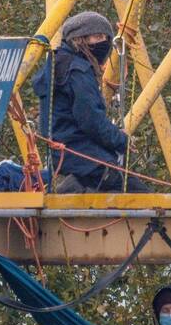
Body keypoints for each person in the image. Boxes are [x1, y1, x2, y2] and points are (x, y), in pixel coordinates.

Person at [33, 11, 151, 193]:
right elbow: (90, 120)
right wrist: (121, 140)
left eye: (105, 37)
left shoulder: (57, 63)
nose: (103, 42)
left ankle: (71, 188)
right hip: (82, 154)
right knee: (142, 197)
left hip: (64, 153)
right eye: (97, 37)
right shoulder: (78, 70)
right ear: (80, 39)